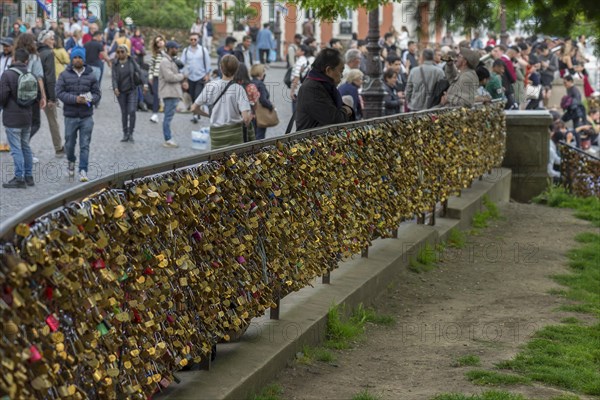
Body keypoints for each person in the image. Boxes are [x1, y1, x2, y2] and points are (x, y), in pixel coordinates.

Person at [56, 46, 101, 182]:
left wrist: (88, 99)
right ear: (71, 59)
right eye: (75, 57)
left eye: (80, 57)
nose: (77, 60)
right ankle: (71, 161)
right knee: (69, 144)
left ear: (84, 59)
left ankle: (83, 169)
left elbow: (97, 94)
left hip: (86, 116)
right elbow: (60, 92)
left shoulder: (91, 75)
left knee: (85, 144)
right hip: (70, 115)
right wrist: (75, 99)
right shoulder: (64, 75)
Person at [191, 55, 252, 149]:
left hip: (216, 134)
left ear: (220, 68)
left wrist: (208, 115)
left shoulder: (210, 86)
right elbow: (246, 119)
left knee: (218, 162)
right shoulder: (238, 89)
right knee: (235, 162)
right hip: (234, 133)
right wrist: (250, 116)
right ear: (236, 69)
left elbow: (194, 108)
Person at [0, 48, 35, 188]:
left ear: (14, 59)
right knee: (26, 147)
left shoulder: (7, 75)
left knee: (16, 149)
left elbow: (2, 96)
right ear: (27, 61)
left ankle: (19, 178)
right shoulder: (30, 74)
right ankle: (29, 177)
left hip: (12, 118)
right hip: (27, 117)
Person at [295, 48, 353, 130]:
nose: (342, 75)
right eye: (341, 71)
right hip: (313, 140)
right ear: (328, 70)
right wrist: (346, 110)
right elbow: (334, 120)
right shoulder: (313, 88)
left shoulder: (324, 85)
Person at [14, 33, 46, 146]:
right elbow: (39, 77)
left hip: (15, 92)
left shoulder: (14, 56)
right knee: (35, 123)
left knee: (21, 121)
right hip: (31, 94)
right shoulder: (34, 57)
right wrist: (43, 96)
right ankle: (24, 143)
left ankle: (20, 143)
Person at [37, 30, 64, 157]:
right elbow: (50, 77)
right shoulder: (48, 53)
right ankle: (58, 148)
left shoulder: (36, 52)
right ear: (45, 40)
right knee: (53, 121)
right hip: (46, 94)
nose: (54, 40)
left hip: (33, 91)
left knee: (31, 122)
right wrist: (52, 98)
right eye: (52, 38)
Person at [112, 45, 145, 142]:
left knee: (132, 111)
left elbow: (139, 71)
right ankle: (125, 133)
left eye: (122, 52)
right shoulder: (115, 63)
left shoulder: (132, 61)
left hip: (132, 90)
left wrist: (145, 84)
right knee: (124, 112)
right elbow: (114, 78)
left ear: (127, 53)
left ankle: (131, 133)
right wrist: (115, 88)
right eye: (118, 52)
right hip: (121, 92)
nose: (120, 54)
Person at [159, 41, 186, 148]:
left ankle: (168, 138)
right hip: (169, 93)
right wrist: (182, 76)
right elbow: (169, 77)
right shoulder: (165, 61)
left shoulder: (171, 60)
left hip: (172, 92)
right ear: (170, 49)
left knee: (168, 117)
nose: (177, 50)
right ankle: (168, 139)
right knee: (168, 118)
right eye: (176, 48)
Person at [181, 32, 211, 124]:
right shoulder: (186, 51)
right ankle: (195, 113)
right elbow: (182, 65)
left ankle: (195, 115)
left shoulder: (203, 50)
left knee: (197, 95)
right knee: (192, 96)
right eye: (191, 39)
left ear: (198, 40)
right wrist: (183, 79)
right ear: (189, 40)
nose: (193, 41)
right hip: (190, 77)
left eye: (195, 39)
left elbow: (208, 63)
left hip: (200, 77)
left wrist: (207, 75)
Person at [233, 64, 257, 142]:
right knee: (250, 139)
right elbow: (255, 101)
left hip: (235, 117)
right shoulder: (251, 87)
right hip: (250, 117)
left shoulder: (232, 86)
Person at [250, 64, 275, 140]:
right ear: (260, 72)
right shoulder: (260, 84)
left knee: (253, 136)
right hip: (260, 115)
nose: (264, 73)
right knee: (260, 137)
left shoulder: (251, 82)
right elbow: (263, 100)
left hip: (252, 113)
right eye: (263, 71)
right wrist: (271, 106)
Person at [290, 45, 314, 113]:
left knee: (295, 112)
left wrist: (292, 91)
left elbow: (296, 77)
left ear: (302, 52)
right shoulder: (305, 61)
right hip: (303, 90)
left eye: (298, 50)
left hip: (297, 91)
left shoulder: (299, 62)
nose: (296, 51)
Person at [148, 35, 165, 123]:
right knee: (156, 95)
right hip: (156, 76)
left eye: (161, 40)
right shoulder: (155, 54)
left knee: (166, 95)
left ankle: (165, 112)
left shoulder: (168, 51)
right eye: (157, 42)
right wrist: (150, 77)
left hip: (166, 78)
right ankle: (155, 114)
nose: (160, 42)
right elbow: (151, 66)